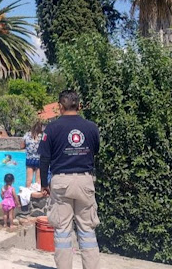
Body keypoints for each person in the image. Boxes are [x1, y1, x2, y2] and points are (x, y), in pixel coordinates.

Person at [39, 90, 100, 269]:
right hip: (85, 181)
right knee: (87, 231)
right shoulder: (91, 127)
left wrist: (44, 184)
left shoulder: (52, 128)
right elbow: (95, 151)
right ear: (78, 106)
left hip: (61, 183)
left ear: (60, 107)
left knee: (63, 232)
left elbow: (44, 159)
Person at [22, 121, 43, 188]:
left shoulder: (27, 135)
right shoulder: (42, 136)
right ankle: (37, 196)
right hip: (39, 159)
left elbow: (22, 146)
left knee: (29, 179)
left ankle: (27, 195)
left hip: (29, 159)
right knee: (38, 180)